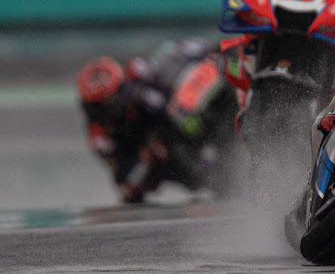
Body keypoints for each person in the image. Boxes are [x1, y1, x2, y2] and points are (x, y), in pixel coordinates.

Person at [75, 39, 238, 203]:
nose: (117, 103)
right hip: (164, 154)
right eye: (108, 103)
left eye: (117, 95)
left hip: (184, 119)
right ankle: (224, 177)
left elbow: (164, 102)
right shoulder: (100, 137)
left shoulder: (138, 76)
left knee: (184, 109)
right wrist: (147, 156)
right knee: (167, 150)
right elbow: (127, 184)